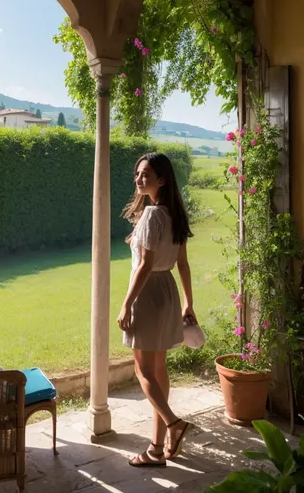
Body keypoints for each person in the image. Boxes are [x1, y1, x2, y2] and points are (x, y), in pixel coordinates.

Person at [117, 152, 196, 467]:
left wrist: (126, 304)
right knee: (159, 369)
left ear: (162, 179)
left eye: (145, 174)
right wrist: (189, 302)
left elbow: (146, 266)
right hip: (168, 292)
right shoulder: (174, 214)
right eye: (137, 173)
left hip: (148, 294)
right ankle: (156, 447)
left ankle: (173, 425)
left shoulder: (152, 215)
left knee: (143, 370)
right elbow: (183, 264)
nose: (139, 179)